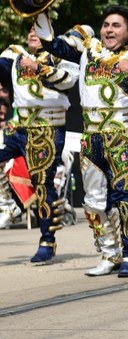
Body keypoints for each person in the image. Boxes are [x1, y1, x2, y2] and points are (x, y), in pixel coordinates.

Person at [36, 5, 128, 277]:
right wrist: (39, 10)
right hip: (92, 137)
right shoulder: (90, 50)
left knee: (125, 195)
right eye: (106, 25)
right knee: (93, 201)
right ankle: (109, 254)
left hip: (123, 133)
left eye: (116, 25)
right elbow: (53, 46)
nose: (109, 30)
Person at [0, 27, 78, 264]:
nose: (33, 33)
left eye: (39, 30)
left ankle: (47, 241)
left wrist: (39, 68)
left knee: (43, 184)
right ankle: (13, 204)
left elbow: (69, 81)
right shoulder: (15, 55)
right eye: (30, 30)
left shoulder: (60, 56)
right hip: (19, 128)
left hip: (48, 128)